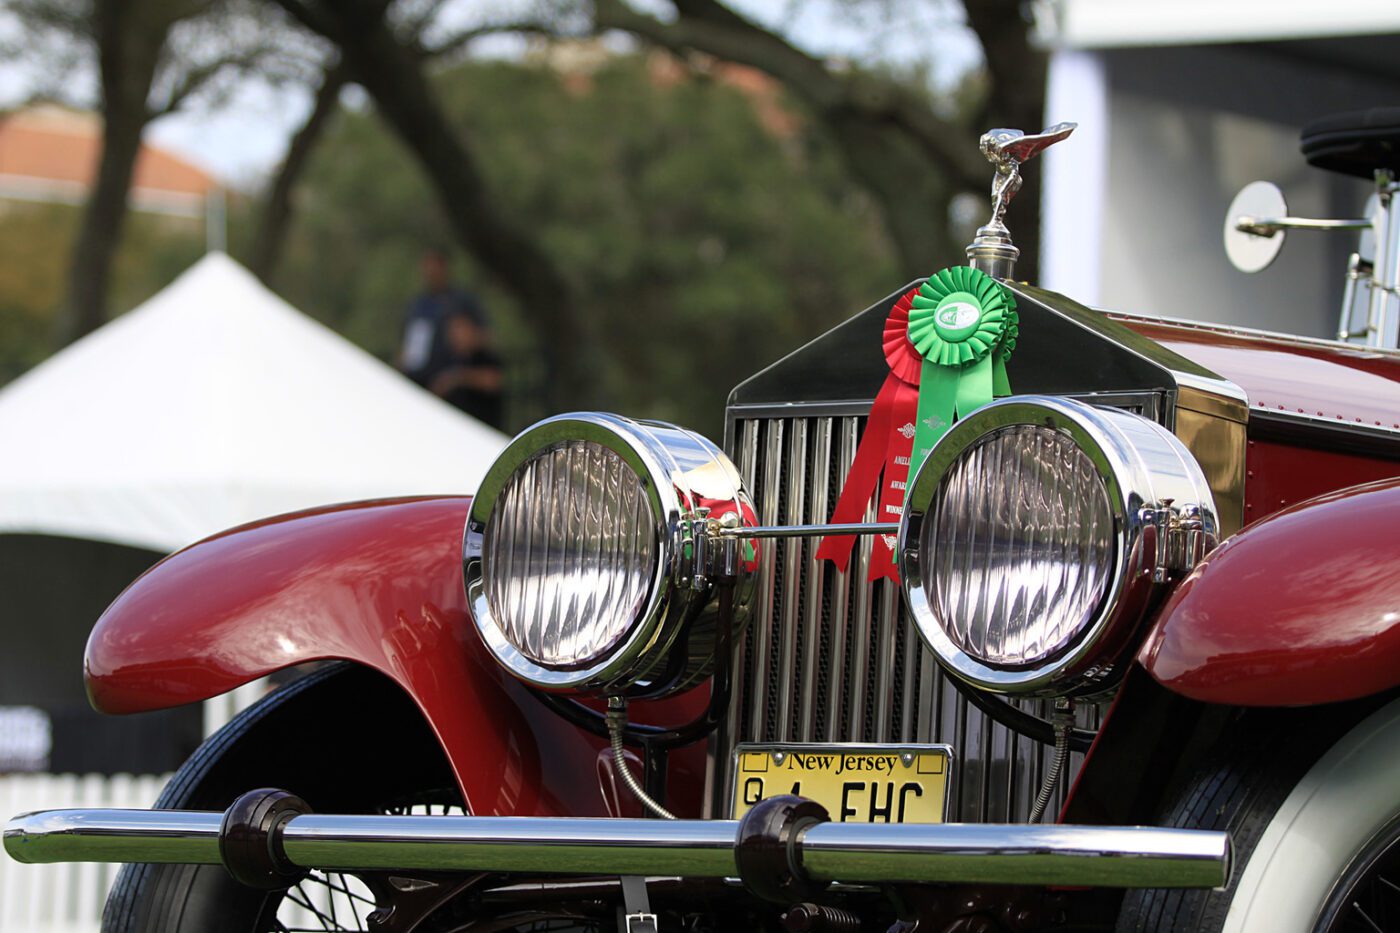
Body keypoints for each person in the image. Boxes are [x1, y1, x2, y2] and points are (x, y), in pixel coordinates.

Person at [398, 248, 503, 427]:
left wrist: (455, 376)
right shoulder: (418, 304)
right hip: (421, 379)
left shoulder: (460, 301)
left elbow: (492, 376)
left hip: (453, 386)